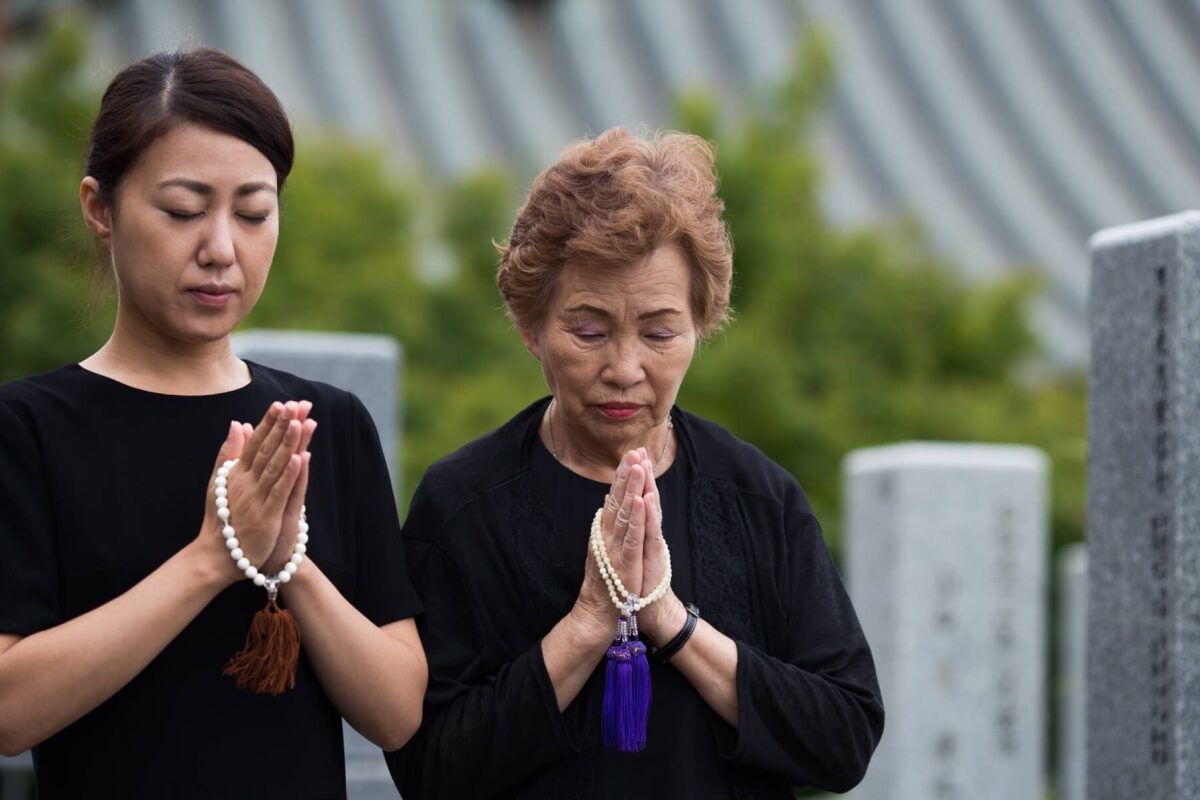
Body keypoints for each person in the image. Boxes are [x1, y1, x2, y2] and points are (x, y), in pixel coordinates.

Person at [387, 128, 883, 798]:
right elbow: (430, 772)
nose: (624, 368)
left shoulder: (758, 498)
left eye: (659, 332)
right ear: (531, 327)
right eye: (588, 331)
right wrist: (590, 622)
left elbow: (844, 740)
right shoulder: (462, 506)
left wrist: (670, 621)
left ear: (702, 324)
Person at [0, 48, 426, 798]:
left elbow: (397, 713)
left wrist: (287, 559)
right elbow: (8, 710)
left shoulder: (327, 423)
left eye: (254, 213)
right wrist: (210, 559)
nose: (222, 249)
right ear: (100, 208)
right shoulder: (29, 430)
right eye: (184, 211)